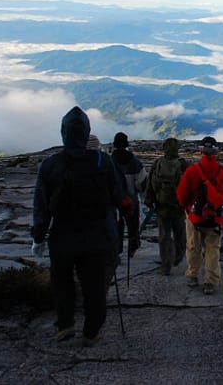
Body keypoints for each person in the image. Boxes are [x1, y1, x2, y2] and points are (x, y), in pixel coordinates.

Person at [31, 106, 132, 346]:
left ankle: (65, 324)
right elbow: (121, 197)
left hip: (62, 237)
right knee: (95, 287)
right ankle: (92, 330)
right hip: (98, 236)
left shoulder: (51, 165)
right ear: (86, 131)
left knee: (62, 283)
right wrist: (126, 225)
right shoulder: (103, 161)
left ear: (63, 132)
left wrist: (38, 237)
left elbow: (41, 206)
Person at [176, 136, 223, 295]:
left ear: (201, 151)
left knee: (193, 246)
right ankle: (210, 282)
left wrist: (187, 207)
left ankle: (192, 276)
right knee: (213, 249)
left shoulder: (192, 171)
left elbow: (181, 194)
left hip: (195, 217)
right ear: (216, 152)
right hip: (215, 219)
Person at [146, 138, 189, 275]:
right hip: (178, 206)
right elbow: (190, 185)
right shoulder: (182, 164)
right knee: (180, 234)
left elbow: (150, 184)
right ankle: (178, 257)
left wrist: (149, 199)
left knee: (164, 236)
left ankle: (166, 265)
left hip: (161, 205)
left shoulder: (158, 163)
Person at [110, 132, 146, 260]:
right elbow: (141, 183)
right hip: (131, 200)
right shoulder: (134, 162)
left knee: (116, 227)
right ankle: (132, 247)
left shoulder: (109, 161)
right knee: (133, 226)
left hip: (114, 201)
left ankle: (117, 250)